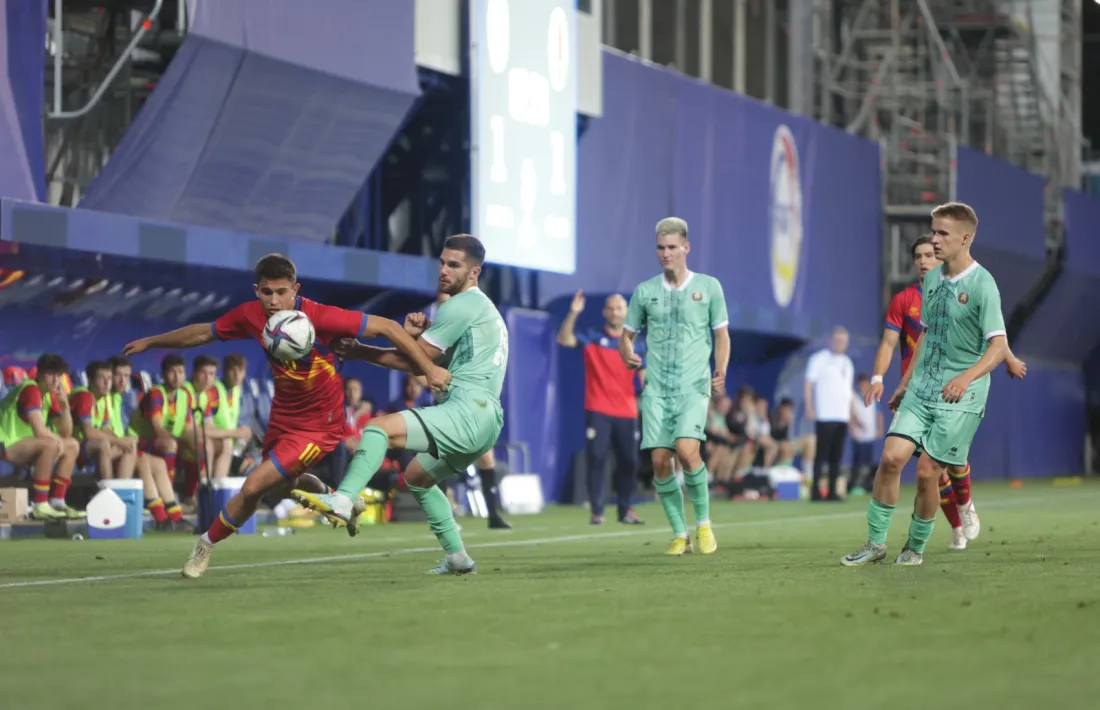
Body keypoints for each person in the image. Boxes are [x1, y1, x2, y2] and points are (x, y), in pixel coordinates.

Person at [123, 253, 449, 579]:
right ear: (256, 291)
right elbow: (203, 333)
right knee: (281, 487)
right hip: (283, 416)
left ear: (296, 289)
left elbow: (388, 328)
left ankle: (205, 545)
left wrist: (429, 368)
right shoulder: (250, 315)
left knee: (253, 486)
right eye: (267, 292)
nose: (274, 301)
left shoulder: (321, 316)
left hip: (320, 425)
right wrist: (152, 341)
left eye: (282, 292)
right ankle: (337, 499)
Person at [293, 235, 506, 575]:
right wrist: (414, 340)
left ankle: (344, 498)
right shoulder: (480, 310)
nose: (444, 270)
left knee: (377, 429)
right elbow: (425, 359)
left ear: (474, 272)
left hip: (467, 409)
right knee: (417, 477)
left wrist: (370, 349)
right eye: (442, 262)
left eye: (454, 265)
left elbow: (417, 362)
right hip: (487, 420)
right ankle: (457, 556)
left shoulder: (461, 305)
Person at [843, 202, 1010, 567]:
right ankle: (874, 544)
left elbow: (998, 345)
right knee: (890, 460)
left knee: (925, 474)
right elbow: (929, 337)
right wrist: (903, 383)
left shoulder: (983, 285)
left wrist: (965, 378)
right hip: (922, 388)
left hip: (961, 395)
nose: (934, 240)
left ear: (966, 239)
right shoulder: (931, 280)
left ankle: (914, 548)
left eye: (942, 234)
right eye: (933, 231)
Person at [866, 234, 1027, 550]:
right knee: (930, 472)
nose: (924, 261)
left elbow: (993, 334)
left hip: (955, 391)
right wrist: (880, 378)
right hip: (918, 392)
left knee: (951, 465)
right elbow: (889, 342)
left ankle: (965, 507)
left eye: (930, 254)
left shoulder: (967, 289)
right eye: (919, 256)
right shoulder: (905, 300)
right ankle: (955, 527)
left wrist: (1008, 358)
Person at [618, 217, 730, 556]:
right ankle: (680, 534)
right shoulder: (645, 291)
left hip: (693, 385)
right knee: (660, 461)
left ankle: (704, 525)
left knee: (686, 450)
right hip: (656, 388)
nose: (665, 254)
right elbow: (627, 337)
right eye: (660, 248)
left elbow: (721, 334)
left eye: (671, 247)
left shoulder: (709, 287)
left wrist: (721, 369)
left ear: (686, 247)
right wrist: (628, 355)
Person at [557, 289, 646, 525]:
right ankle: (597, 511)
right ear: (604, 312)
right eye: (611, 308)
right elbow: (564, 339)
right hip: (598, 410)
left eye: (620, 308)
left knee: (629, 461)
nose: (615, 312)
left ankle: (625, 509)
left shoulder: (637, 343)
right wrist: (573, 313)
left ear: (626, 312)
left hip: (628, 412)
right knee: (597, 459)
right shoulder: (593, 337)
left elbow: (645, 377)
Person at [0, 354, 82, 520]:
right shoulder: (31, 389)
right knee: (50, 444)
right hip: (5, 444)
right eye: (51, 375)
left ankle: (57, 501)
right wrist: (57, 441)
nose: (56, 381)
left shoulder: (49, 396)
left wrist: (65, 406)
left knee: (72, 445)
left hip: (24, 445)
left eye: (59, 376)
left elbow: (66, 433)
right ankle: (39, 504)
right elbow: (39, 430)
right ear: (40, 374)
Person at [804, 326, 855, 501]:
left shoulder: (847, 362)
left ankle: (833, 491)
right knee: (821, 455)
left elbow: (848, 392)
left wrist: (851, 415)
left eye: (843, 341)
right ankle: (815, 491)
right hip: (825, 414)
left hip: (842, 416)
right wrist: (810, 407)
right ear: (830, 341)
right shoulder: (819, 359)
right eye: (837, 340)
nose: (840, 344)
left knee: (837, 456)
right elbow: (808, 384)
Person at [69, 360, 138, 482]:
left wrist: (121, 441)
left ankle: (121, 492)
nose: (107, 383)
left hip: (91, 447)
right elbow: (89, 432)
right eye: (101, 378)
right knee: (103, 444)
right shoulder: (84, 397)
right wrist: (118, 441)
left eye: (110, 378)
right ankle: (107, 490)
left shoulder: (103, 398)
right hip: (76, 446)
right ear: (90, 380)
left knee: (130, 444)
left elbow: (105, 428)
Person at [847, 373, 882, 495]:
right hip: (858, 436)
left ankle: (865, 485)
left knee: (868, 462)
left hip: (870, 436)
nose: (864, 385)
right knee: (858, 462)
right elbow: (851, 416)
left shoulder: (872, 398)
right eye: (862, 383)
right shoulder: (854, 399)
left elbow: (879, 414)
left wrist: (879, 430)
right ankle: (855, 485)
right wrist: (853, 428)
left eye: (866, 383)